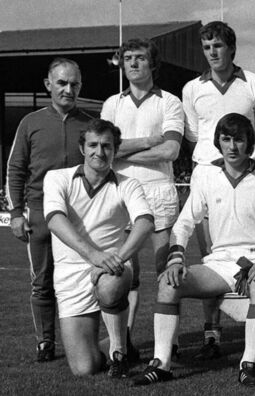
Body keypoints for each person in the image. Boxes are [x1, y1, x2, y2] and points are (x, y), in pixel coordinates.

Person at [133, 113, 255, 386]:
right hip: (219, 263)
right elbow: (184, 223)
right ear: (218, 142)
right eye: (226, 139)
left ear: (249, 143)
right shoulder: (206, 175)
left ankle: (248, 365)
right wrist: (175, 260)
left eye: (239, 140)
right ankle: (161, 364)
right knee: (168, 284)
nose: (232, 147)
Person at [181, 21, 255, 358]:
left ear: (231, 48)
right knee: (211, 257)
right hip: (207, 177)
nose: (212, 53)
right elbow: (195, 136)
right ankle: (212, 332)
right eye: (206, 47)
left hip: (245, 177)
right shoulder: (192, 88)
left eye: (217, 46)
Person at [43, 119, 154, 377]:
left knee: (111, 285)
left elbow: (145, 222)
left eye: (107, 146)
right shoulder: (57, 178)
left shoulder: (128, 184)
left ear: (115, 150)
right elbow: (55, 220)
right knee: (84, 368)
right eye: (93, 145)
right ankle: (124, 344)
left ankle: (119, 351)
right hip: (71, 274)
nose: (99, 152)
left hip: (112, 268)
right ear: (82, 148)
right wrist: (94, 256)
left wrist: (117, 259)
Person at [5, 57, 94, 362]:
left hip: (79, 217)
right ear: (48, 85)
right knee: (42, 282)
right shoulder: (30, 123)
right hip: (39, 215)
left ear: (80, 86)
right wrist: (16, 213)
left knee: (84, 279)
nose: (68, 89)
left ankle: (85, 341)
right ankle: (45, 342)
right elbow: (15, 169)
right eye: (62, 83)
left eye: (74, 84)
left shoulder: (90, 125)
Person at [101, 38, 184, 361]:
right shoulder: (112, 104)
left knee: (165, 271)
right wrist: (149, 140)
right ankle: (123, 345)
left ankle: (167, 345)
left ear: (153, 63)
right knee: (125, 272)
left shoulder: (169, 101)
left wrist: (123, 151)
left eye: (140, 58)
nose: (134, 63)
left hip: (159, 191)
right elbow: (106, 149)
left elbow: (171, 149)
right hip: (121, 192)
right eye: (128, 59)